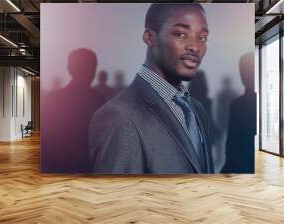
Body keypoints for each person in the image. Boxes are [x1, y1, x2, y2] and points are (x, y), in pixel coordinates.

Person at [89, 3, 214, 173]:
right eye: (181, 34)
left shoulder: (197, 111)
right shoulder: (119, 116)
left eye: (202, 38)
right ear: (149, 37)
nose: (195, 47)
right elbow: (116, 195)